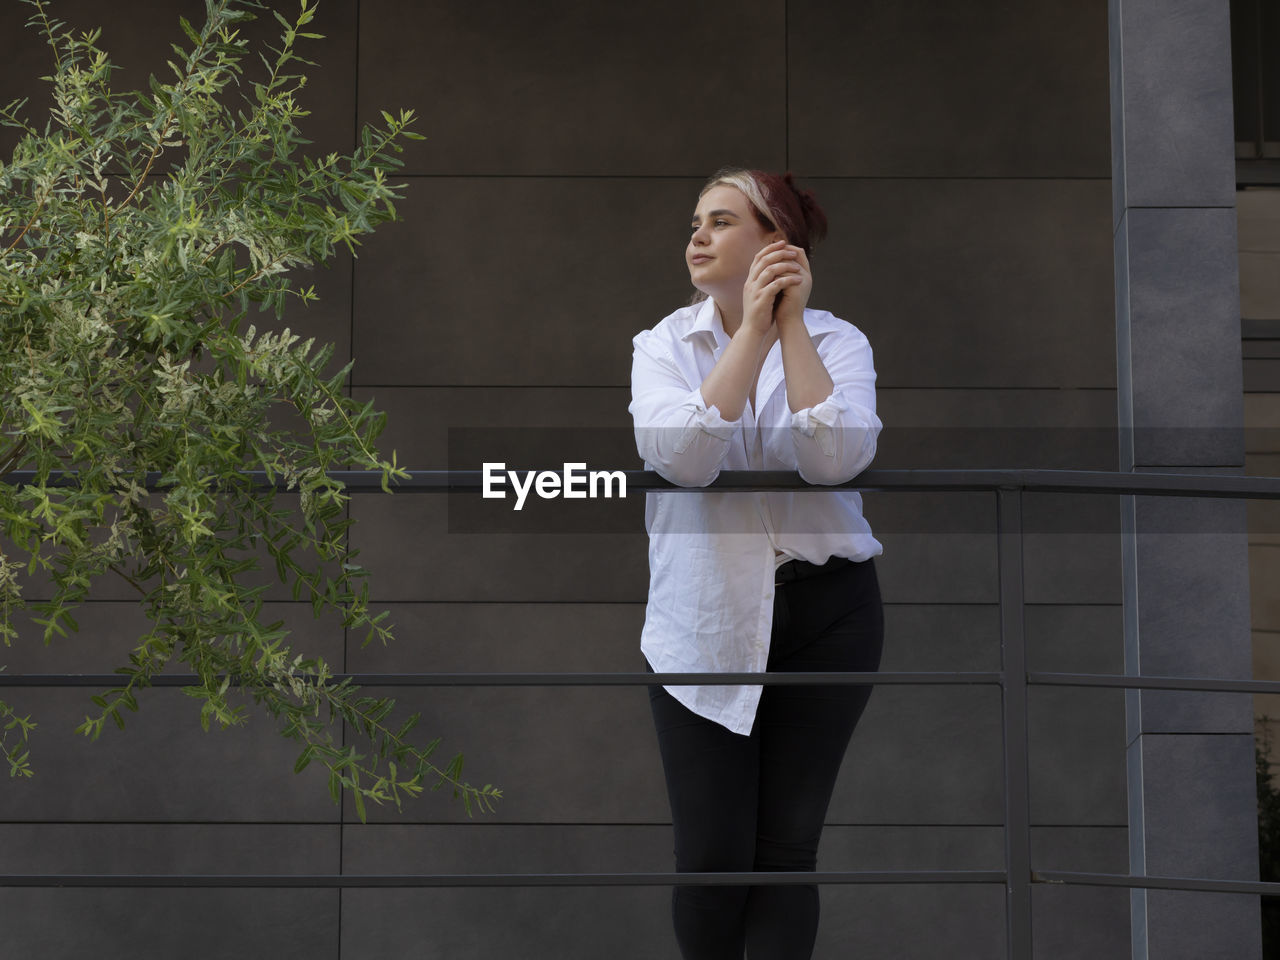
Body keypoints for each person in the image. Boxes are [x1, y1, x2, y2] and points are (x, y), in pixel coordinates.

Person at [627, 168, 885, 960]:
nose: (696, 237)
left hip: (830, 612)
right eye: (695, 223)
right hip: (702, 615)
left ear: (777, 244)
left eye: (721, 221)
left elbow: (837, 459)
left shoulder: (840, 341)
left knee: (785, 855)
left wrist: (791, 327)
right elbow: (683, 458)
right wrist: (747, 336)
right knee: (711, 859)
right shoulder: (663, 344)